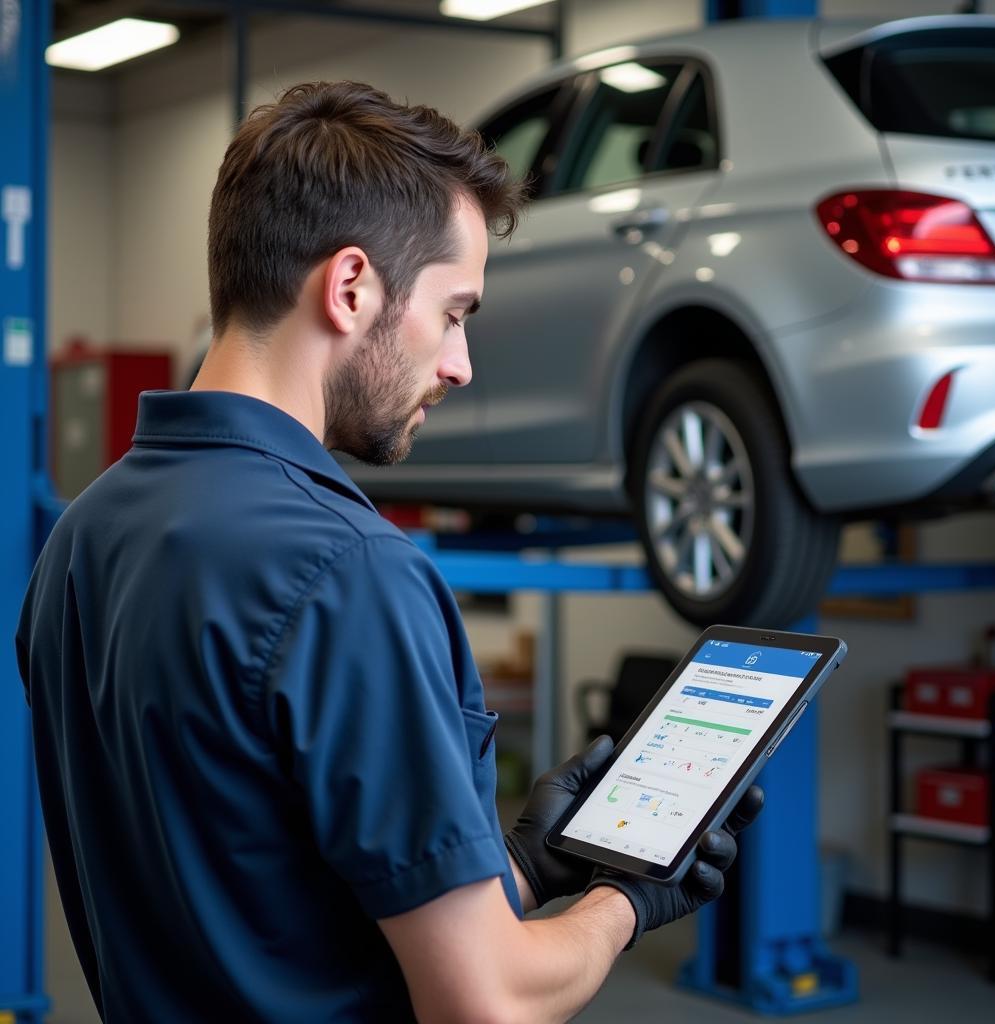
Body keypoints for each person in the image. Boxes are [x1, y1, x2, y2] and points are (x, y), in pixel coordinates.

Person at [17, 81, 763, 1024]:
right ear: (351, 286)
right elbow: (485, 1004)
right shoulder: (349, 572)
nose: (459, 365)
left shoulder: (81, 540)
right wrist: (628, 899)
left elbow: (267, 914)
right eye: (454, 314)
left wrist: (526, 868)